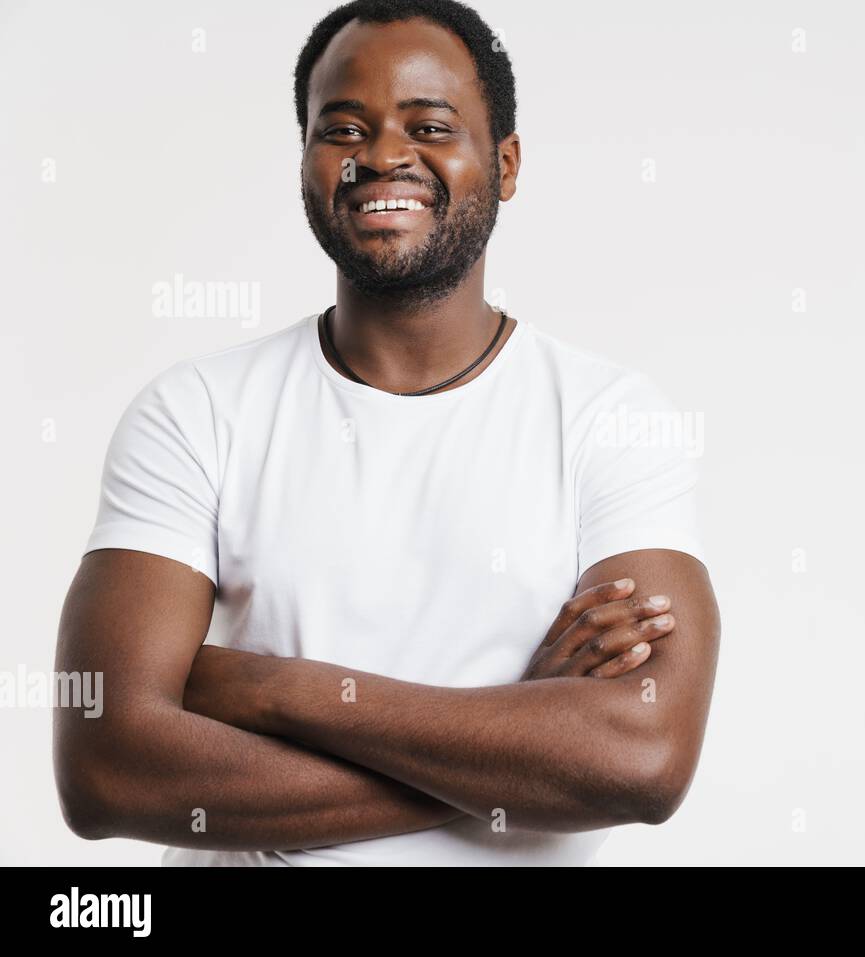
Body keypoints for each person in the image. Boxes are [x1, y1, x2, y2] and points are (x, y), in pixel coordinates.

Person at [53, 0, 720, 866]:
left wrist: (264, 690)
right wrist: (515, 748)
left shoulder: (608, 418)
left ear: (506, 164)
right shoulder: (195, 412)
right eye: (342, 128)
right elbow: (107, 770)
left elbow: (643, 759)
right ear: (304, 161)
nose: (383, 156)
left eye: (430, 125)